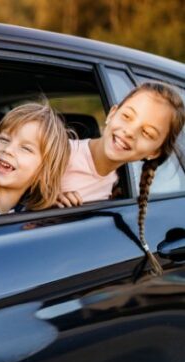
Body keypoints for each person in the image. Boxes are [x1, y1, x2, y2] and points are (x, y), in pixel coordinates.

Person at [57, 81, 185, 275]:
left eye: (147, 133)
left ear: (154, 152)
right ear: (111, 114)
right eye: (127, 116)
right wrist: (47, 198)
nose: (130, 132)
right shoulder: (58, 153)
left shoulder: (118, 189)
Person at [0, 103, 71, 217]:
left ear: (43, 171)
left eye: (25, 148)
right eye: (4, 139)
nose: (8, 149)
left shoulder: (41, 213)